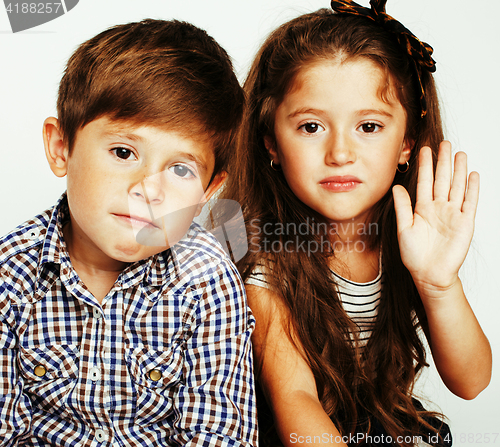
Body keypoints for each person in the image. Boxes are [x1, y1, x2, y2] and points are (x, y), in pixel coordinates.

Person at [221, 1, 492, 446]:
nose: (340, 153)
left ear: (406, 144)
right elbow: (297, 399)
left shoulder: (409, 244)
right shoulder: (263, 260)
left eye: (368, 126)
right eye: (311, 127)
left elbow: (472, 381)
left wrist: (439, 283)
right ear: (271, 142)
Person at [0, 19, 258, 446]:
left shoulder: (206, 280)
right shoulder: (10, 275)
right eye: (123, 152)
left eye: (180, 168)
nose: (148, 188)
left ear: (209, 191)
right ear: (61, 146)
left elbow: (218, 434)